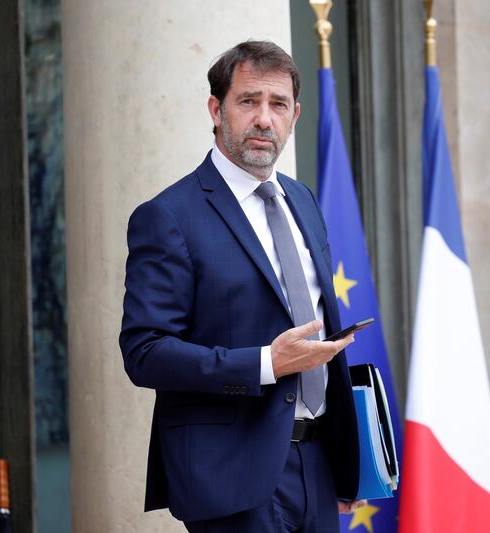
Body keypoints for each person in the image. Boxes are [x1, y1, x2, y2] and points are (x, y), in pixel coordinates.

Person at [119, 40, 365, 532]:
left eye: (277, 105)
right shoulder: (169, 217)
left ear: (295, 115)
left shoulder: (303, 200)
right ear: (217, 109)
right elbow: (144, 352)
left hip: (318, 465)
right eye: (248, 101)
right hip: (231, 479)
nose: (263, 119)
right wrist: (264, 365)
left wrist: (343, 465)